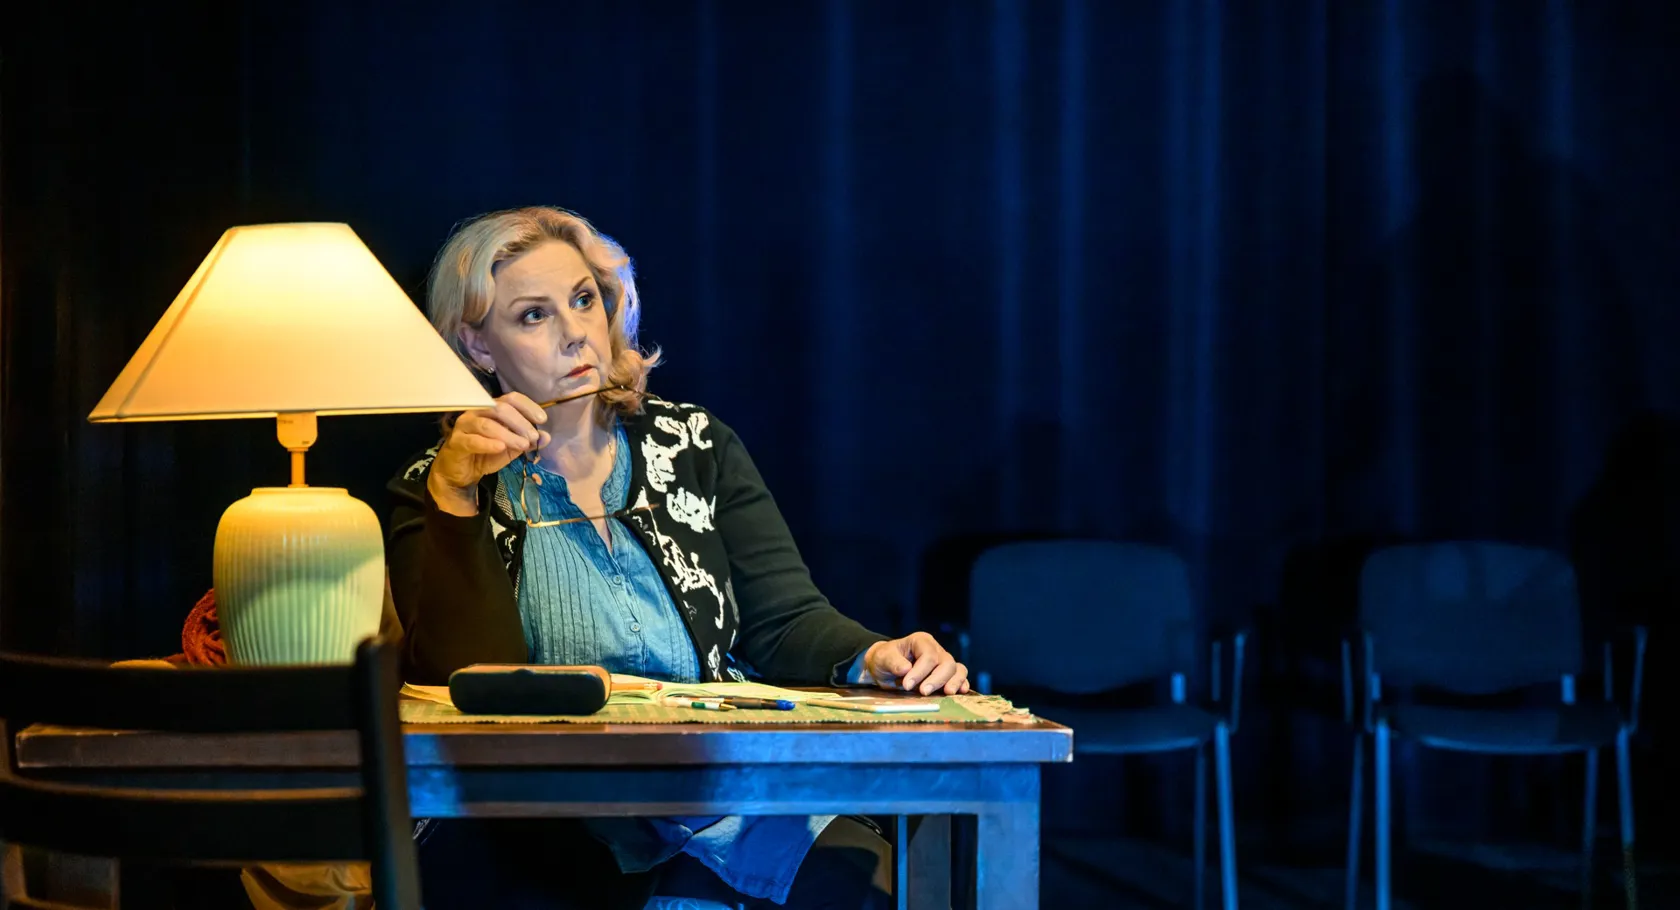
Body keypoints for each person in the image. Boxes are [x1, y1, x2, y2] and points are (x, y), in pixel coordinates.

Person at [385, 206, 970, 910]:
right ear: (480, 348)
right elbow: (463, 681)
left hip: (717, 786)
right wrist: (455, 496)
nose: (576, 333)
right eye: (533, 316)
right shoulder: (439, 483)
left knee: (871, 877)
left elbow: (783, 620)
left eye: (584, 300)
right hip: (554, 816)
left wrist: (876, 655)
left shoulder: (694, 444)